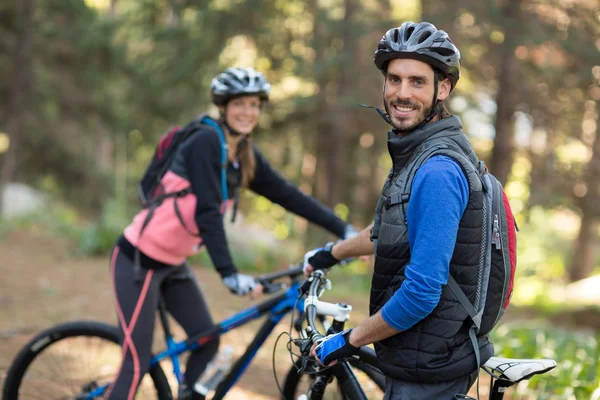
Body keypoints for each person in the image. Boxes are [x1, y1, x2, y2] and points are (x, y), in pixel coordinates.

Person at [106, 67, 357, 400]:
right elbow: (207, 212)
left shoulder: (241, 153)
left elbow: (287, 195)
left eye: (254, 104)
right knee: (135, 364)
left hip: (173, 262)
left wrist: (343, 229)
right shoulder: (206, 141)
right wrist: (228, 273)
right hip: (139, 261)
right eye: (239, 103)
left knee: (206, 341)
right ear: (223, 106)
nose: (248, 112)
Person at [304, 22, 494, 399]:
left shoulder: (438, 170)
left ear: (443, 88)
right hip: (420, 356)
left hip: (429, 370)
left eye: (417, 82)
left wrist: (349, 340)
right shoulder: (419, 154)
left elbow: (422, 292)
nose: (402, 94)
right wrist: (330, 253)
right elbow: (386, 230)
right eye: (394, 80)